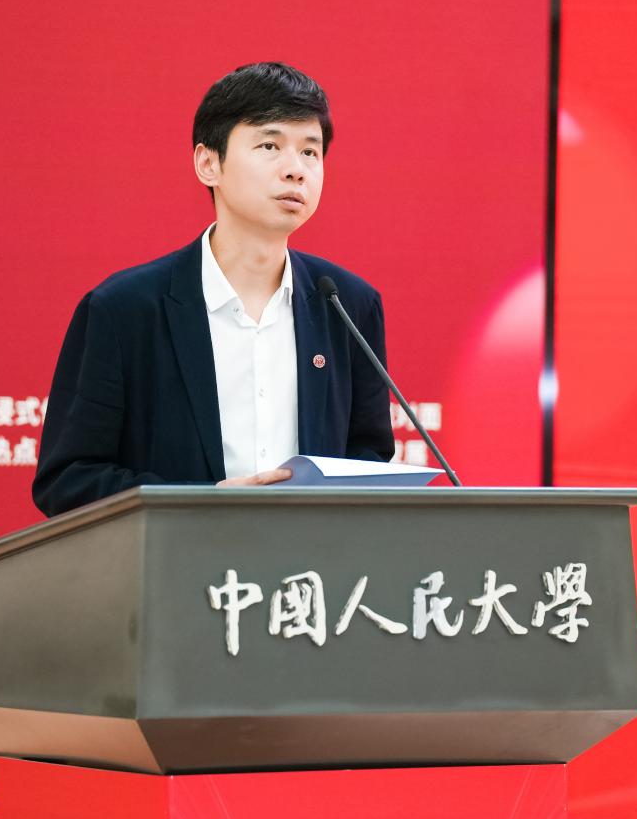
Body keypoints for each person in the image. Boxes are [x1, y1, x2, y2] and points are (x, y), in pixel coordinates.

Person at [32, 62, 394, 517]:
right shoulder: (124, 310)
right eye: (269, 145)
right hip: (177, 556)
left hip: (313, 559)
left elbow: (368, 458)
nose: (296, 170)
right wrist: (204, 504)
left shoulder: (348, 305)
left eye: (310, 152)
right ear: (209, 163)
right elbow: (69, 479)